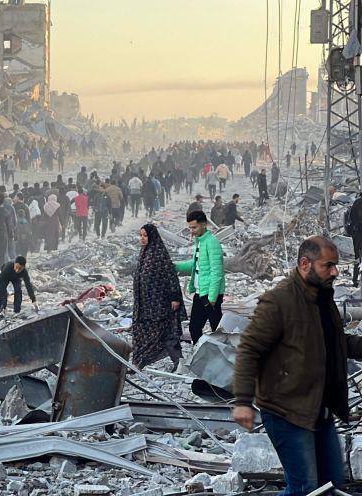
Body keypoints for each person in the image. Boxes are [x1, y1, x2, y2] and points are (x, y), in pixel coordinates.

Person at [232, 236, 362, 495]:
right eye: (329, 265)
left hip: (317, 409)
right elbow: (249, 349)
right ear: (305, 263)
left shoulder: (322, 298)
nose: (335, 272)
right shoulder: (278, 301)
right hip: (285, 411)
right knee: (305, 488)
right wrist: (243, 401)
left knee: (331, 484)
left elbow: (336, 341)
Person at [131, 224, 184, 370]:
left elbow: (171, 276)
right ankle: (138, 362)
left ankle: (179, 362)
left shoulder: (159, 253)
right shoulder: (144, 253)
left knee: (165, 332)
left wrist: (175, 298)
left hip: (159, 304)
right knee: (140, 332)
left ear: (152, 236)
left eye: (145, 235)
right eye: (141, 235)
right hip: (143, 304)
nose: (142, 238)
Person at [174, 210, 225, 344]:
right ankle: (203, 354)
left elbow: (217, 272)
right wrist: (176, 266)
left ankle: (222, 357)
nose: (192, 231)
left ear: (204, 224)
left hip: (209, 294)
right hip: (200, 292)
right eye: (190, 227)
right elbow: (196, 265)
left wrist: (212, 298)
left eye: (194, 227)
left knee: (217, 329)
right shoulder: (200, 242)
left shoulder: (212, 243)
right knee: (194, 328)